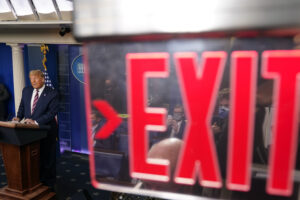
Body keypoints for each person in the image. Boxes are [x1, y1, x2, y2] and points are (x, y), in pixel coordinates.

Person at [12, 69, 59, 190]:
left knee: (47, 157)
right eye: (31, 78)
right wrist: (18, 117)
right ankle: (36, 180)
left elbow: (52, 113)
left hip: (46, 130)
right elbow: (23, 106)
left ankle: (49, 183)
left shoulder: (52, 93)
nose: (33, 80)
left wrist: (36, 122)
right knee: (34, 156)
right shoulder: (26, 90)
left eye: (36, 78)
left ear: (43, 79)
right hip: (29, 131)